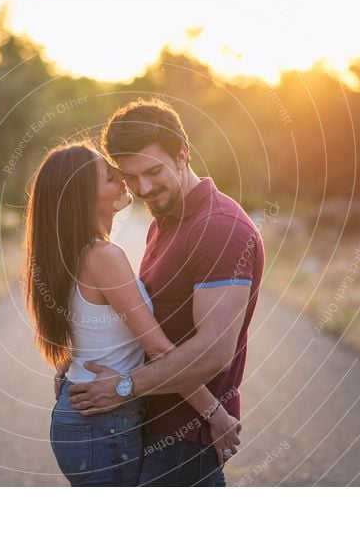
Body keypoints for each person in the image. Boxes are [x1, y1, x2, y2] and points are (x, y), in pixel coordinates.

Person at [68, 99, 265, 486]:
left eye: (153, 171)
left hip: (183, 437)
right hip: (147, 422)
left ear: (182, 154)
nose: (143, 188)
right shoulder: (166, 221)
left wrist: (123, 387)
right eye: (130, 177)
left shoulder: (219, 229)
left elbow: (214, 353)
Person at [24, 141, 241, 487]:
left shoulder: (75, 253)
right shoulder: (104, 256)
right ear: (84, 196)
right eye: (112, 177)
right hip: (101, 424)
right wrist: (215, 414)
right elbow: (158, 349)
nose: (125, 182)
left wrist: (75, 362)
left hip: (88, 419)